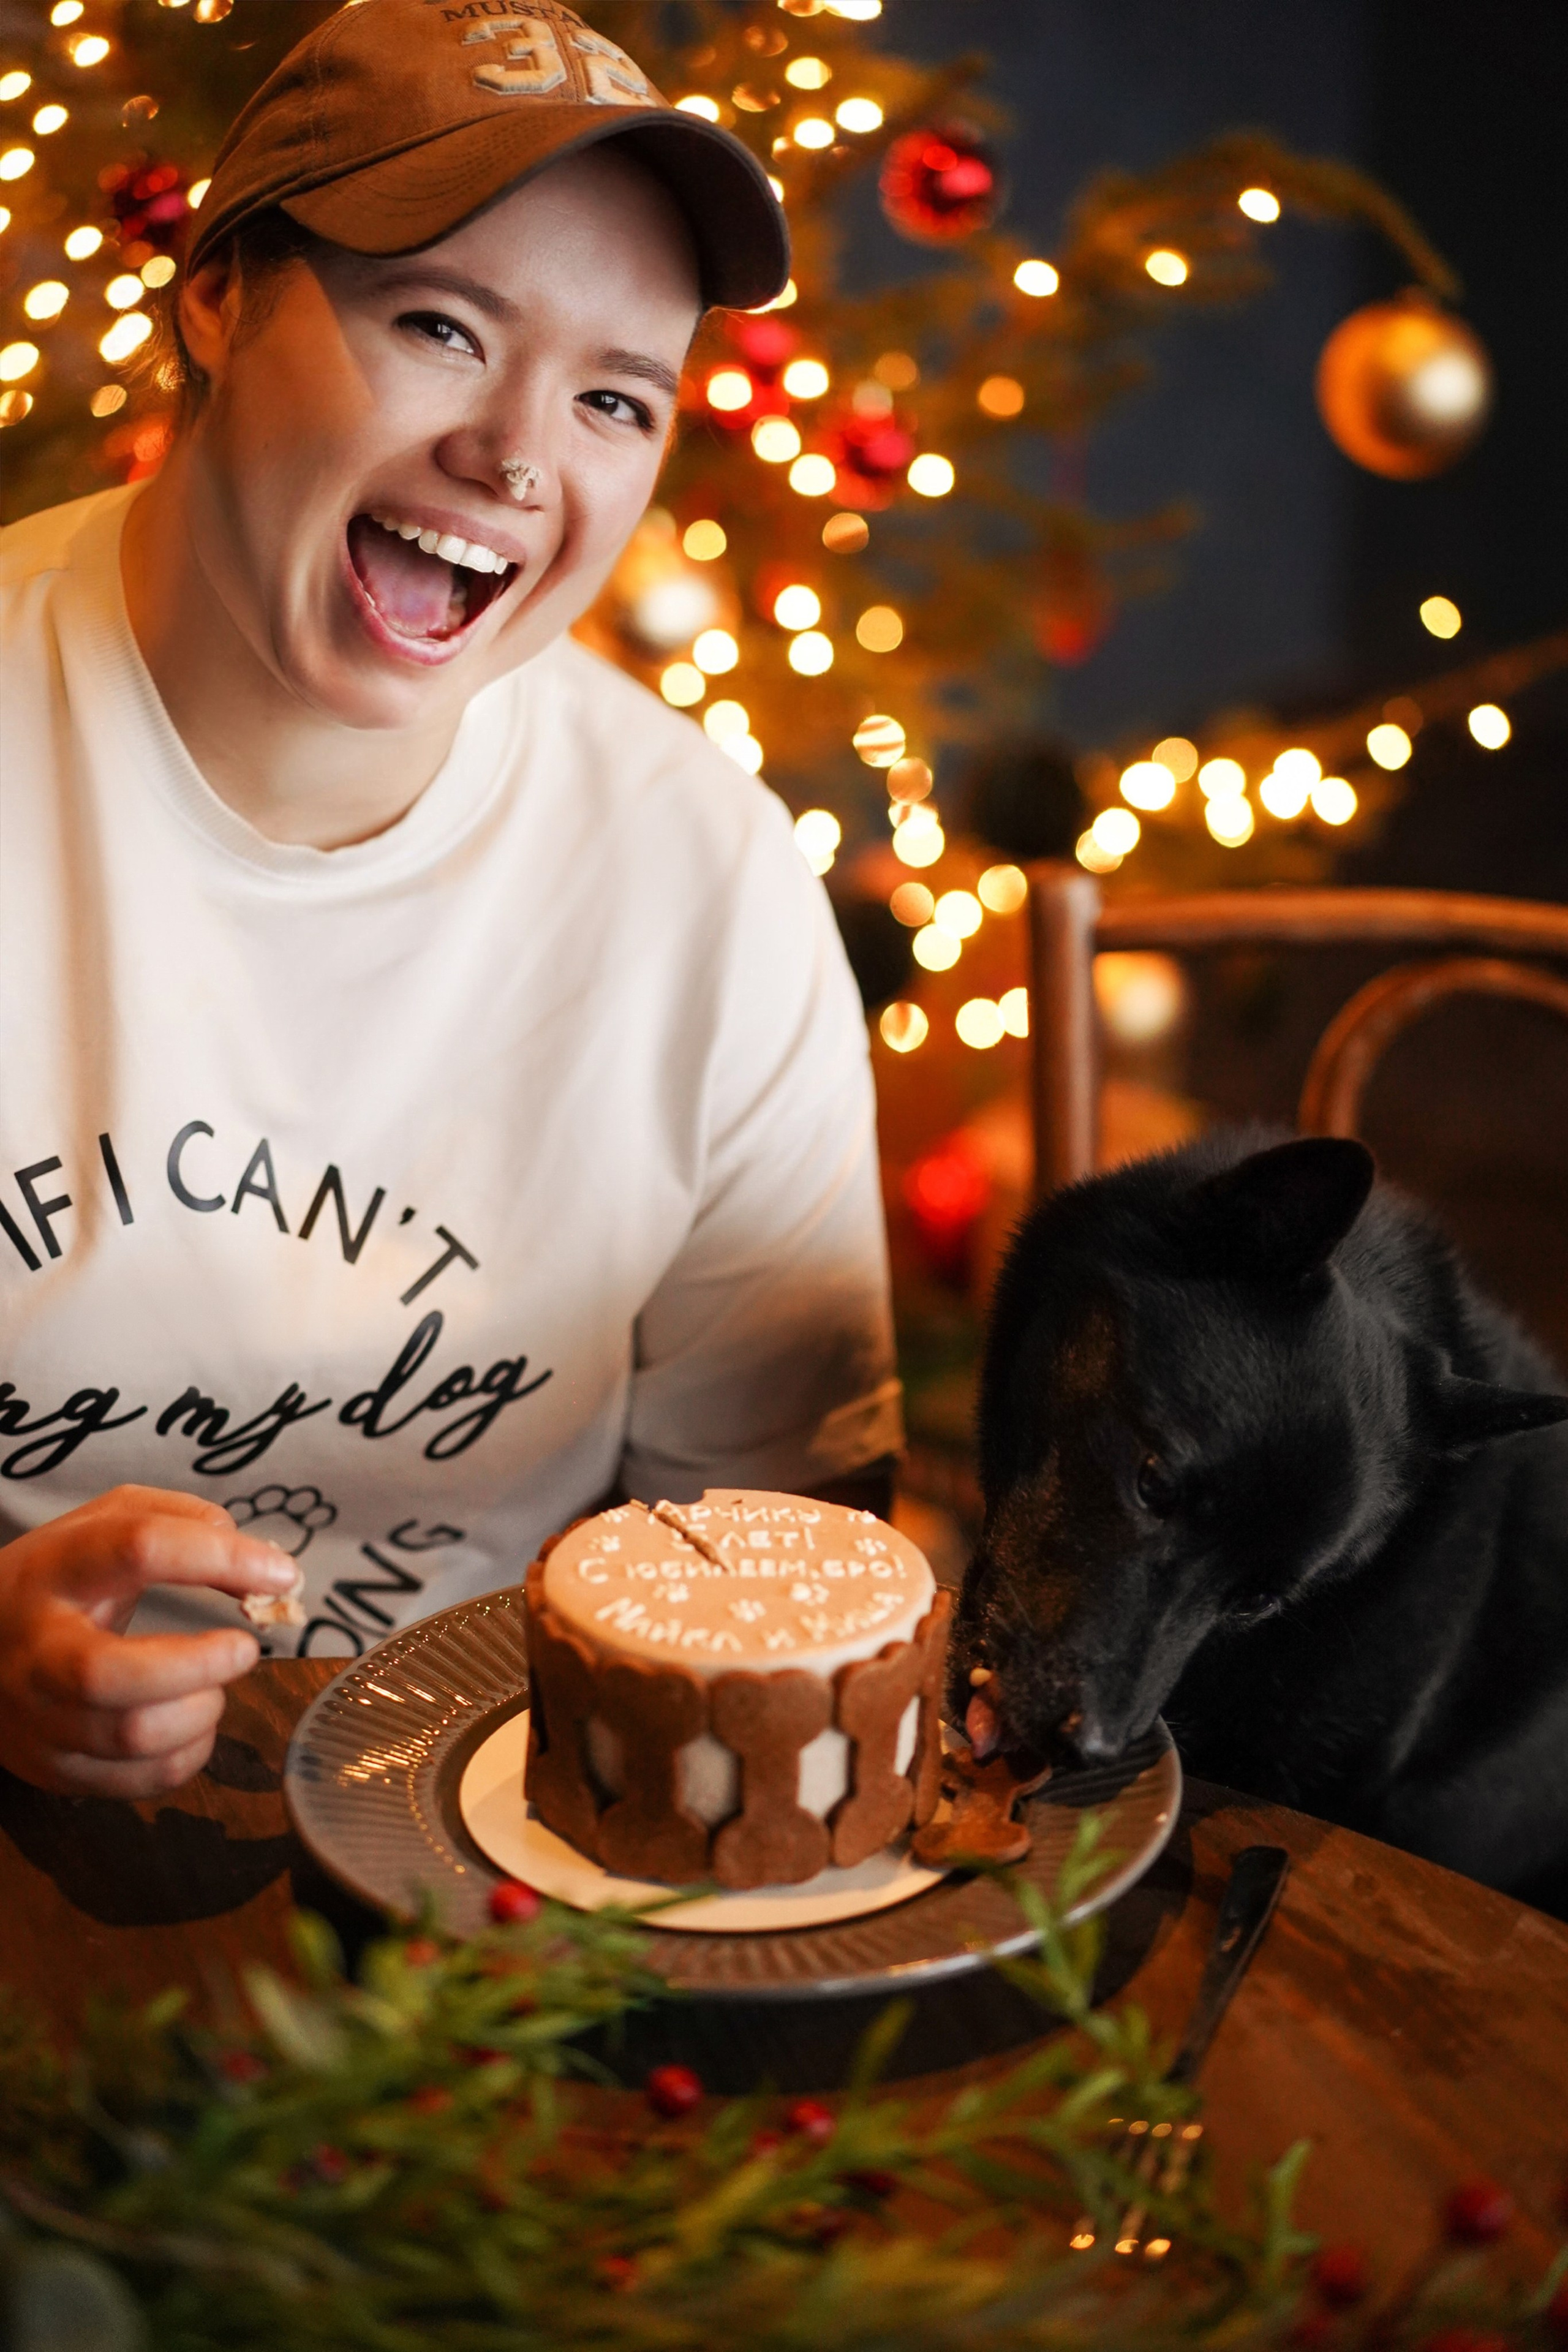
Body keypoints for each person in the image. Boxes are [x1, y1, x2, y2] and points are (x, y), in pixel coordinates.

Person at [0, 1, 901, 1800]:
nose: (515, 455)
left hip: (513, 1852)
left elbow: (776, 1543)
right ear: (218, 293)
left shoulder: (704, 885)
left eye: (611, 398)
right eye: (438, 326)